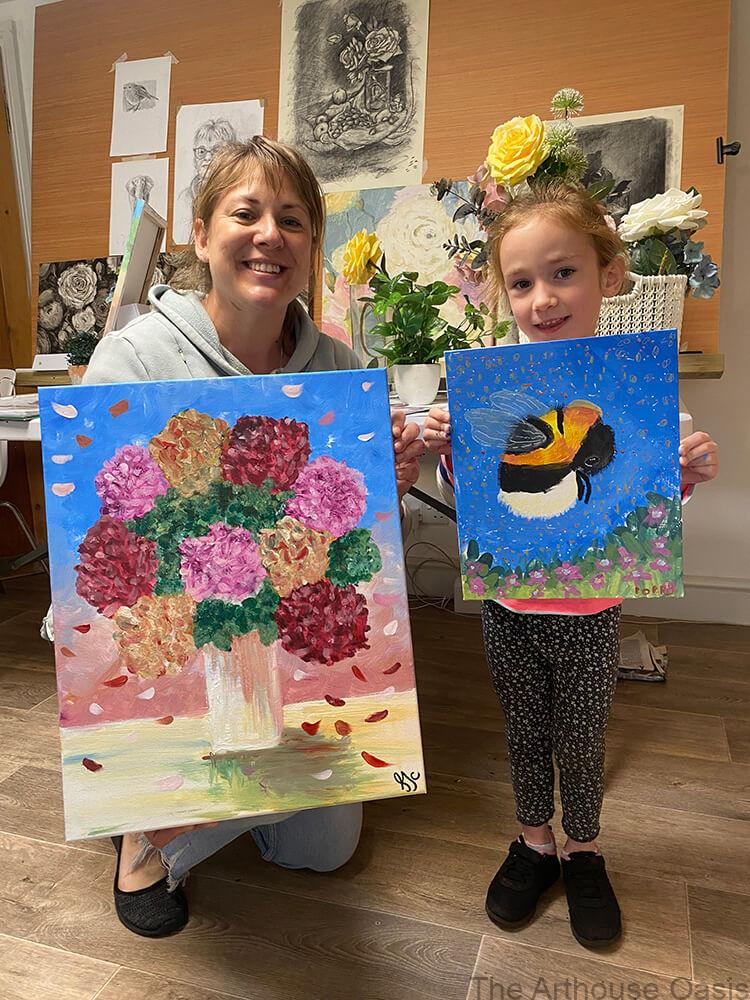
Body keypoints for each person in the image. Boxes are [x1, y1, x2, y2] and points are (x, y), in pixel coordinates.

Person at [83, 136, 425, 938]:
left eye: (294, 219)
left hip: (285, 646)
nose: (270, 233)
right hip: (166, 634)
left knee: (324, 850)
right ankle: (145, 826)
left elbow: (356, 539)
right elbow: (95, 543)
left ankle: (211, 791)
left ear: (311, 251)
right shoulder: (133, 359)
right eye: (246, 212)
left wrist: (389, 486)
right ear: (200, 236)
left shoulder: (340, 364)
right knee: (168, 780)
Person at [423, 181, 719, 948]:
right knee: (523, 727)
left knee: (582, 736)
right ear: (501, 292)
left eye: (563, 273)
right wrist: (450, 451)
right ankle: (535, 843)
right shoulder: (490, 386)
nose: (542, 298)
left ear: (609, 273)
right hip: (507, 606)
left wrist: (683, 474)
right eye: (521, 282)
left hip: (589, 612)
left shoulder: (634, 383)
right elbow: (477, 495)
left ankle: (583, 849)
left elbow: (649, 509)